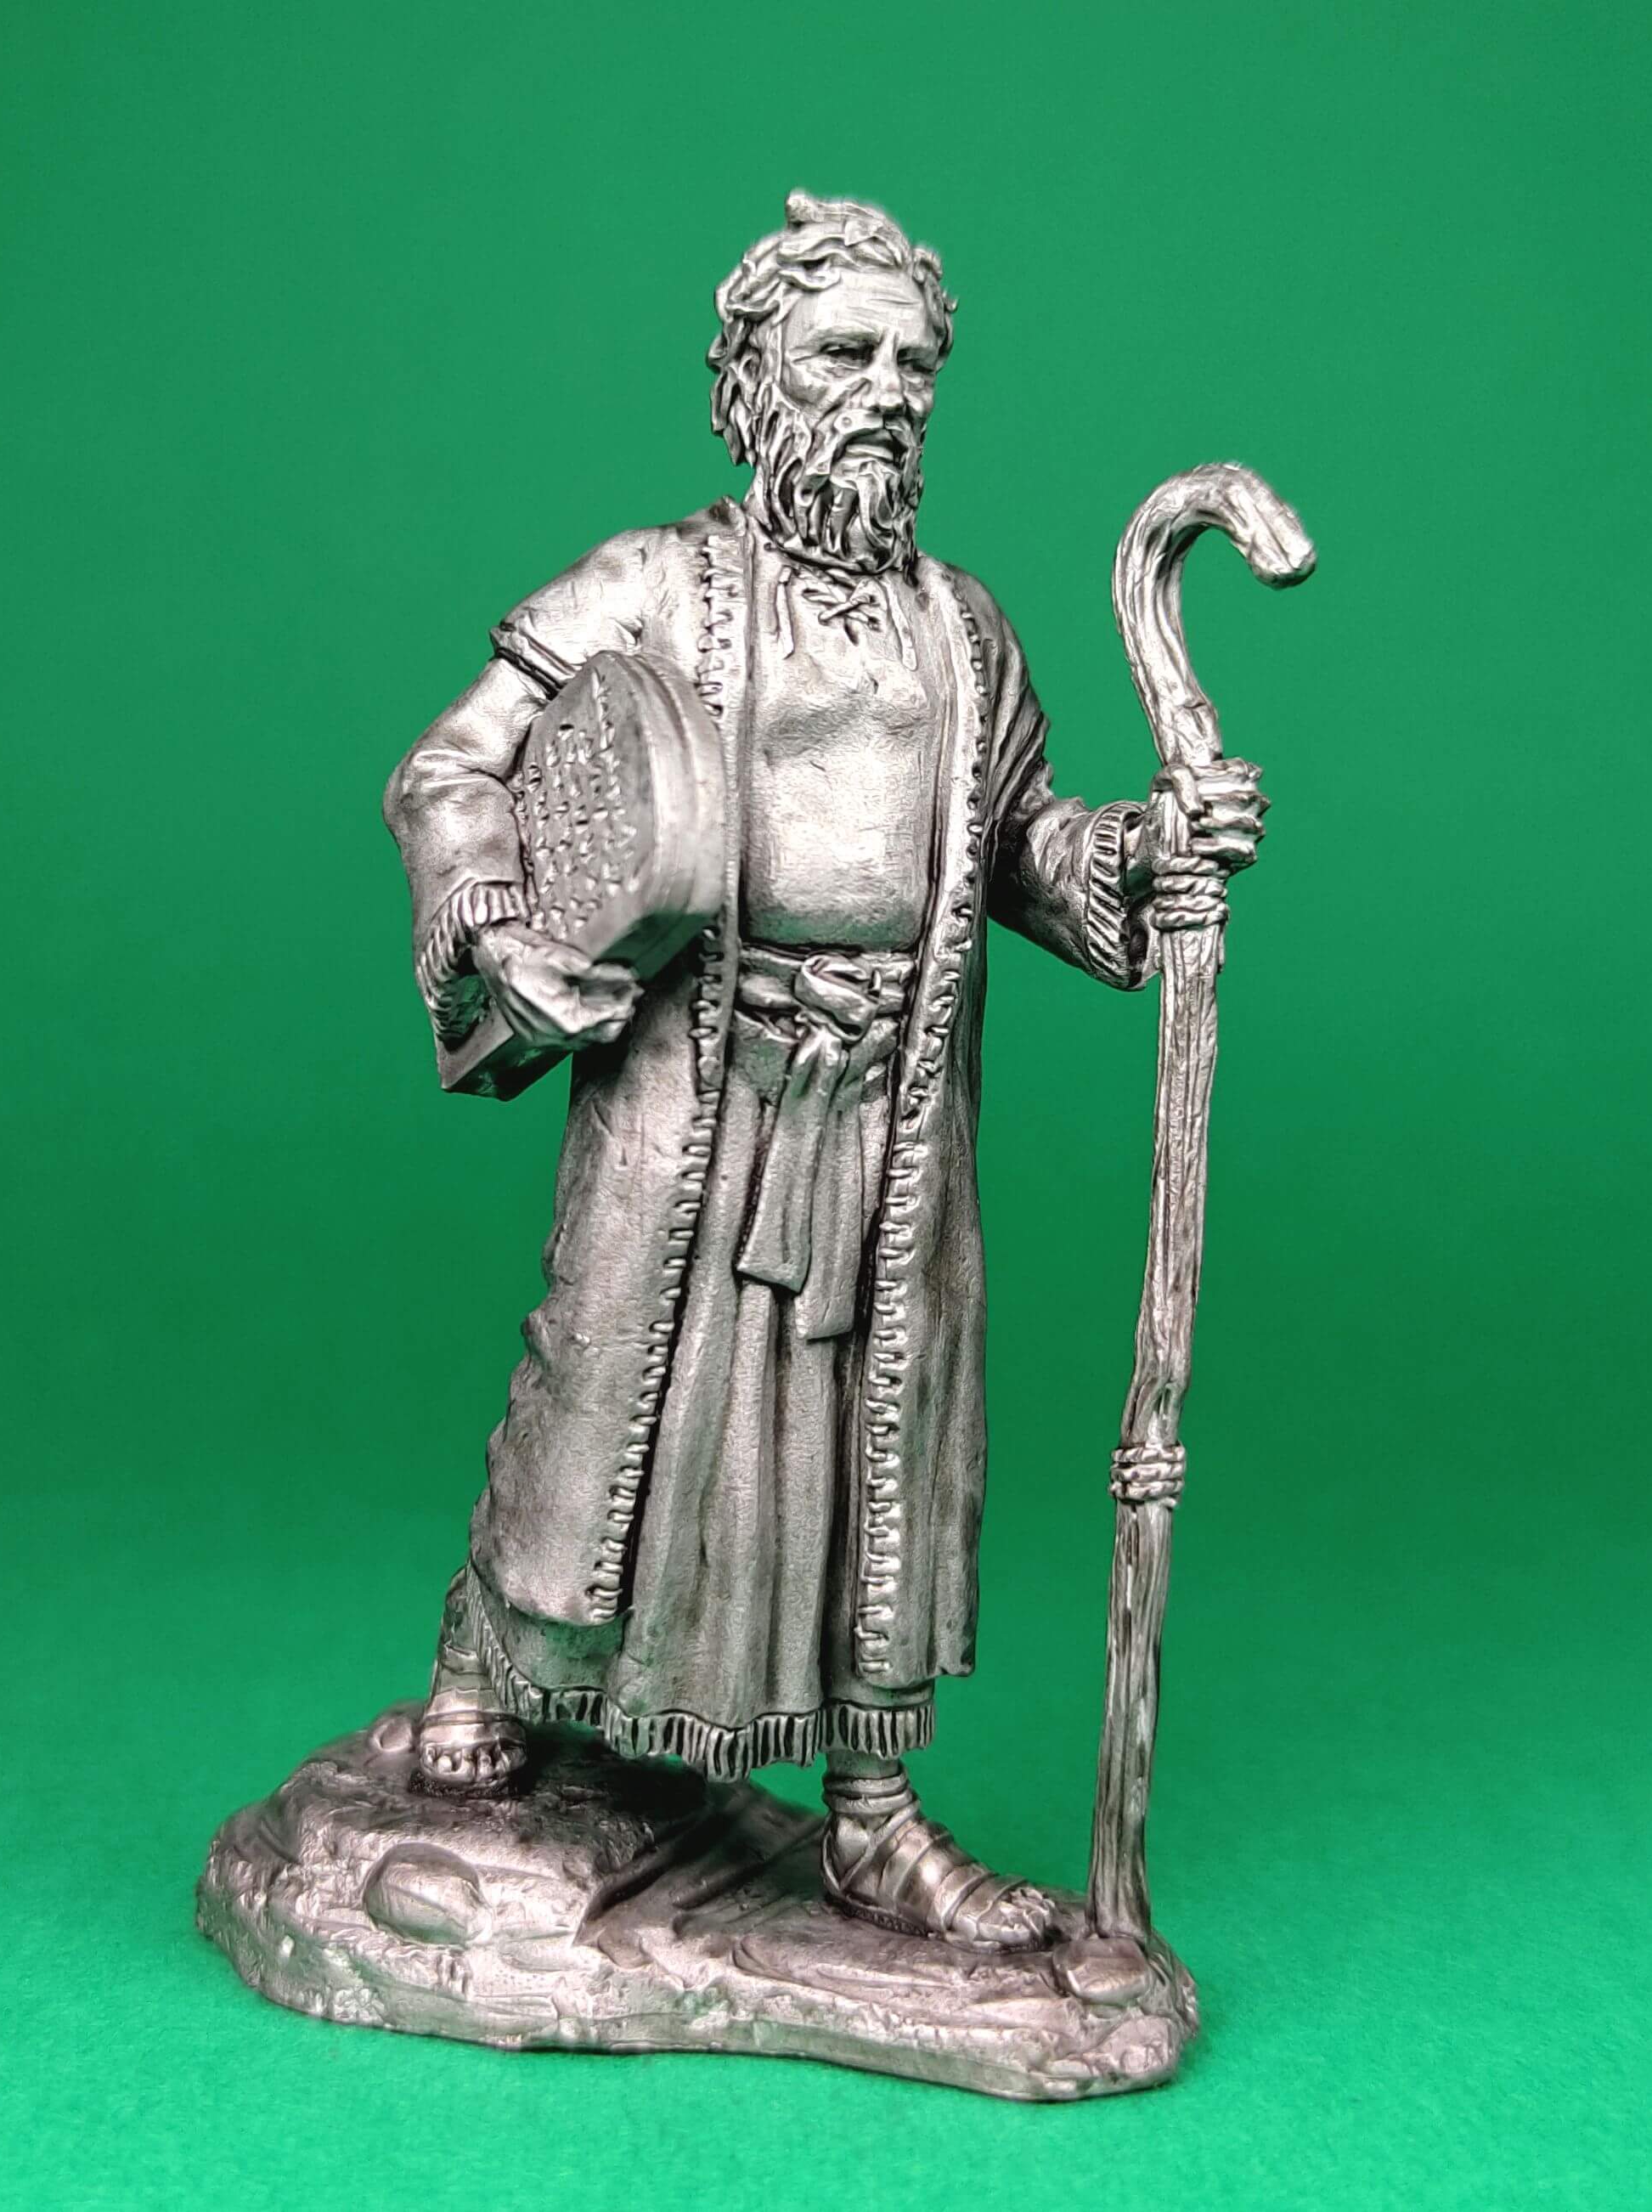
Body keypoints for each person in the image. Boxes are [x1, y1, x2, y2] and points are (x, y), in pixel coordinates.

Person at [382, 193, 1265, 1950]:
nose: (886, 393)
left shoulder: (964, 629)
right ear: (749, 382)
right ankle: (491, 1654)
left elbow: (1017, 844)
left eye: (915, 364)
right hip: (692, 1081)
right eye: (843, 353)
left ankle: (871, 1813)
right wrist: (493, 921)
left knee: (884, 1451)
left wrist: (1142, 853)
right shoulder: (648, 584)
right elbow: (451, 770)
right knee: (603, 1397)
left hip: (893, 1107)